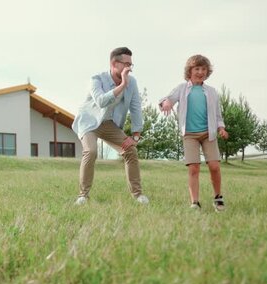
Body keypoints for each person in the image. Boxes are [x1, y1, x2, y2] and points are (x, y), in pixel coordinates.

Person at [71, 47, 148, 205]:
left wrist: (135, 135)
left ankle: (138, 195)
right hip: (89, 122)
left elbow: (135, 108)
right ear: (114, 64)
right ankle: (83, 196)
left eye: (131, 65)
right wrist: (122, 85)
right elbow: (101, 101)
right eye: (127, 64)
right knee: (90, 151)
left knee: (130, 150)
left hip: (109, 124)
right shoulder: (97, 79)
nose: (129, 69)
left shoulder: (132, 82)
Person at [158, 54, 229, 211]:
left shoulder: (211, 92)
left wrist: (221, 128)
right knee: (194, 168)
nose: (200, 72)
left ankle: (218, 197)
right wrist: (167, 102)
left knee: (214, 166)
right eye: (197, 68)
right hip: (189, 134)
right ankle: (195, 202)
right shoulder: (182, 88)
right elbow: (166, 99)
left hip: (208, 133)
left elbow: (217, 115)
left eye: (204, 69)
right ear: (190, 70)